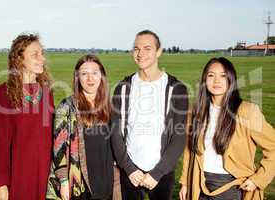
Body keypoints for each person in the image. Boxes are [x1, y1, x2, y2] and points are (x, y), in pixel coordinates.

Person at [179, 57, 275, 200]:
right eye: (211, 75)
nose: (216, 80)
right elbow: (189, 150)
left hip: (230, 186)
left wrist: (258, 179)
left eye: (223, 75)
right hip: (198, 182)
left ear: (231, 79)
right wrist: (185, 182)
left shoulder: (247, 111)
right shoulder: (196, 111)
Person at [111, 30, 188, 200]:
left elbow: (179, 136)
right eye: (136, 49)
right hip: (131, 171)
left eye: (147, 48)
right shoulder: (122, 88)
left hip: (162, 172)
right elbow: (115, 133)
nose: (140, 54)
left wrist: (157, 173)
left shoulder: (177, 89)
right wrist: (129, 169)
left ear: (159, 51)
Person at [0, 34, 54, 200]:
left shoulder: (46, 92)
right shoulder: (3, 94)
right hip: (17, 179)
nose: (42, 58)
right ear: (19, 59)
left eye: (42, 53)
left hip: (44, 178)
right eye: (35, 54)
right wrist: (0, 184)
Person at [46, 54, 117, 200]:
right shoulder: (66, 107)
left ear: (102, 76)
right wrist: (64, 181)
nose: (90, 79)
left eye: (94, 73)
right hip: (79, 182)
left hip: (106, 180)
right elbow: (58, 147)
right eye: (84, 74)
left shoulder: (110, 106)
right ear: (77, 78)